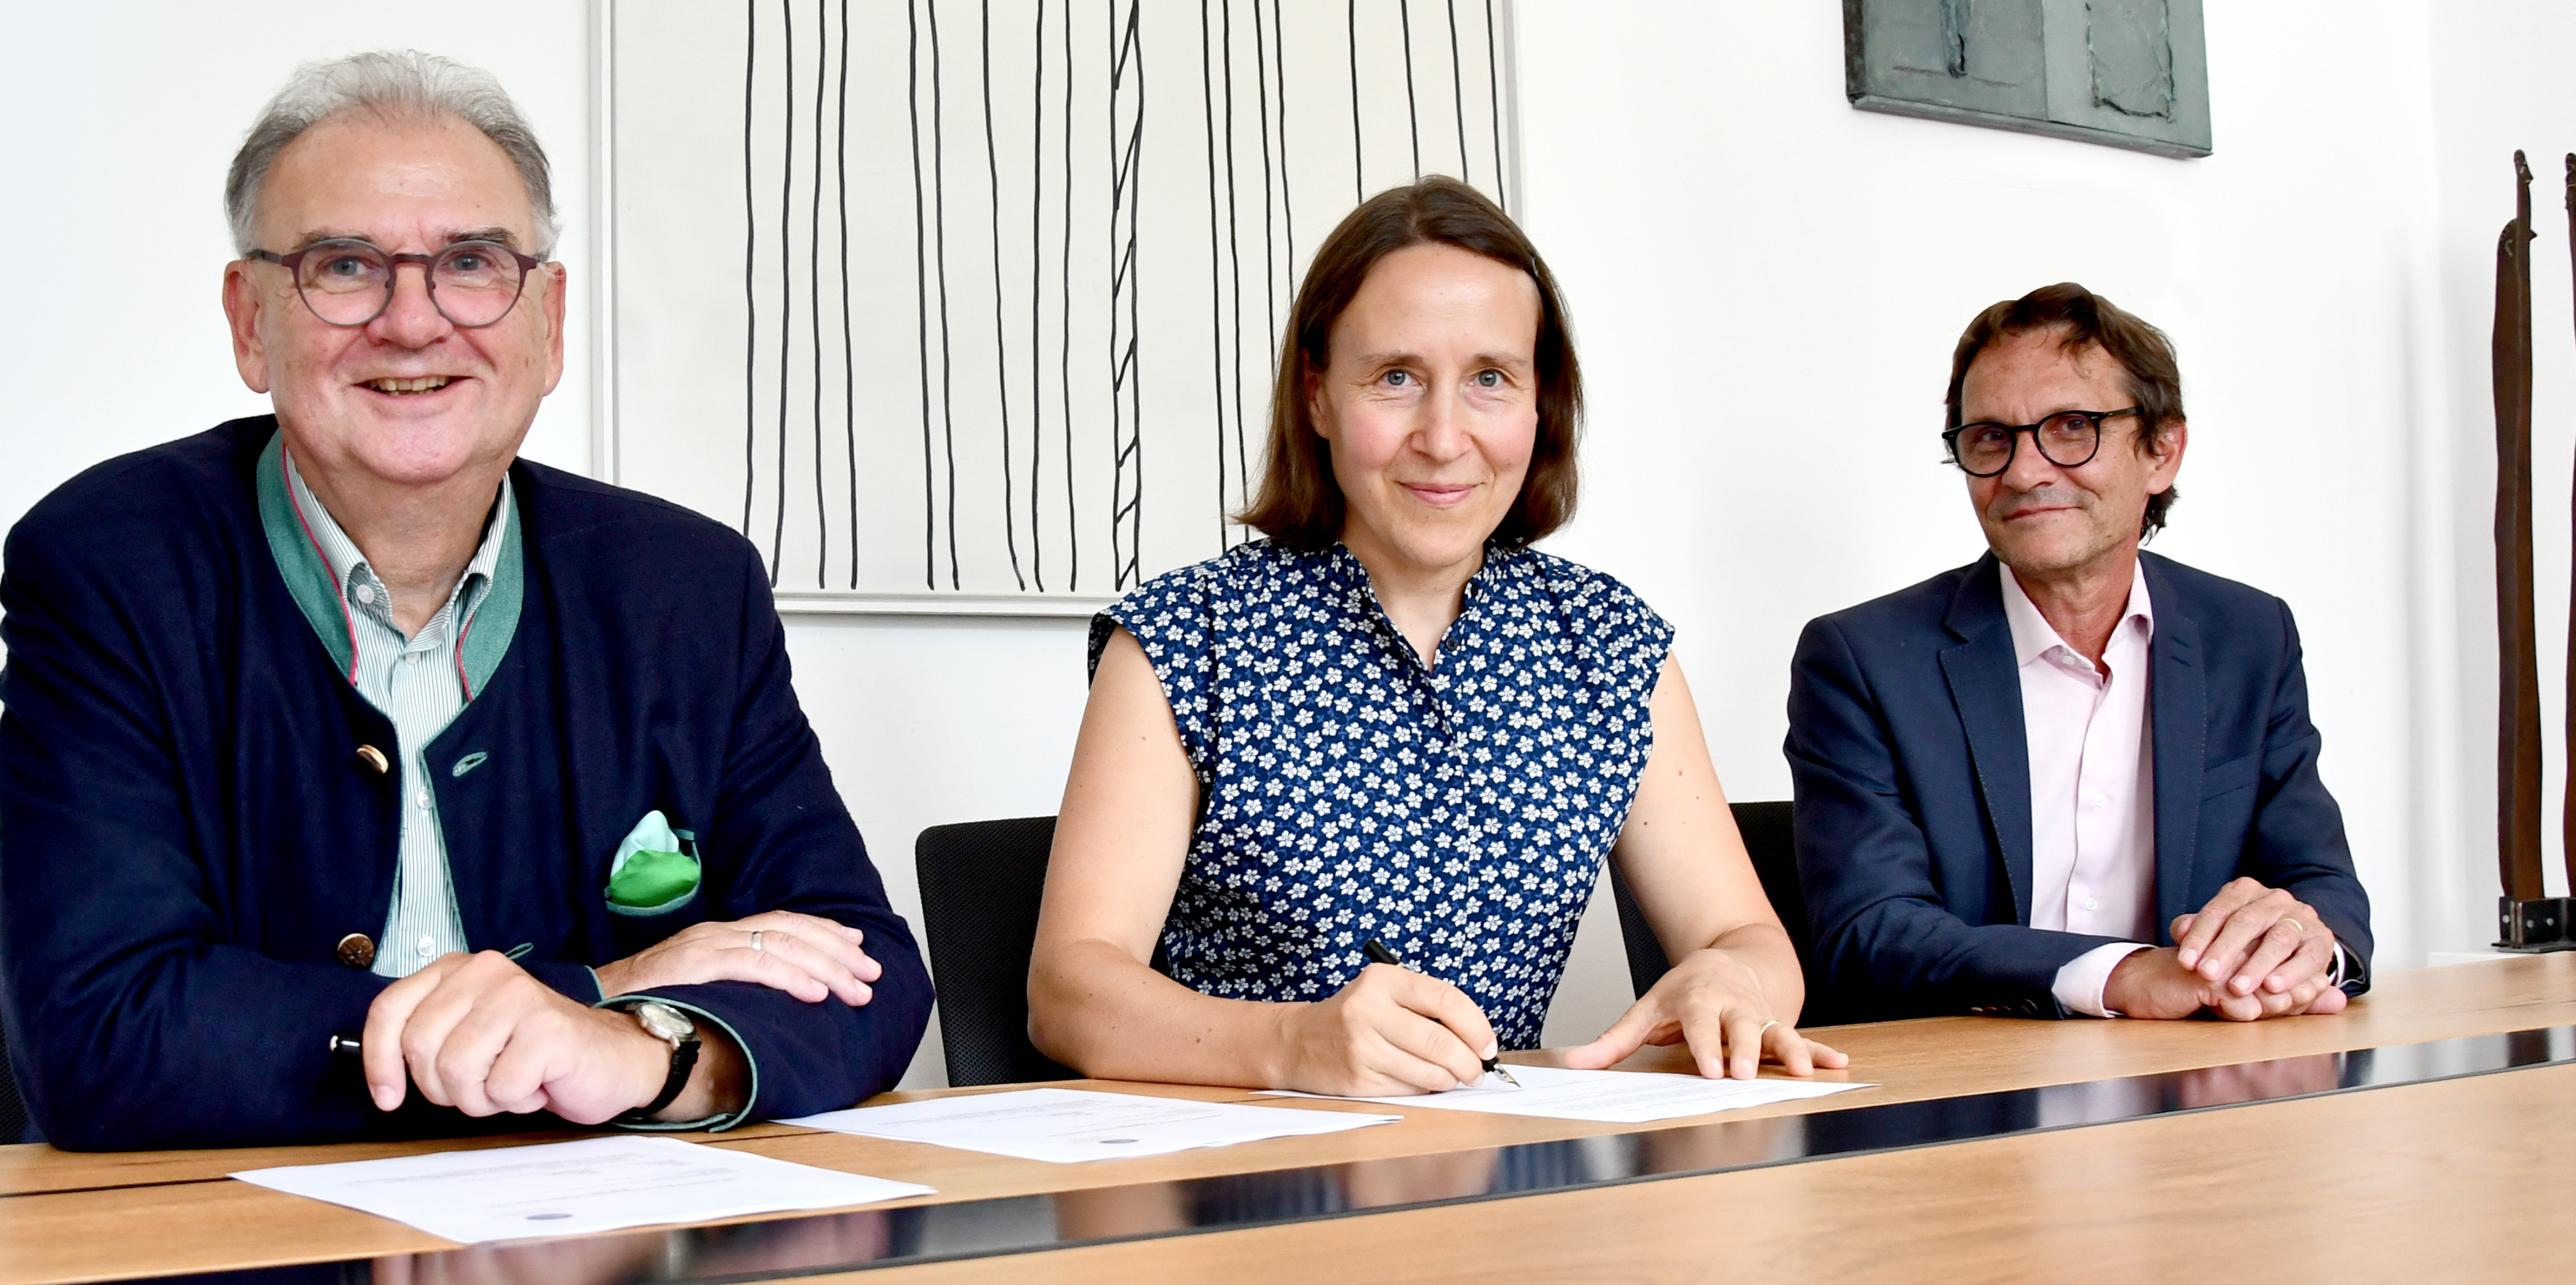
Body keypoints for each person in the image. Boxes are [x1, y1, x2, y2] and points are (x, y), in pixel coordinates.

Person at [0, 52, 930, 1149]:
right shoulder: (108, 567)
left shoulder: (686, 588)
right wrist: (593, 994)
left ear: (549, 320)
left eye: (472, 263)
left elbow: (861, 969)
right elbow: (103, 1032)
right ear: (251, 322)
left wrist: (644, 1052)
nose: (412, 321)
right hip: (241, 1226)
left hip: (605, 1224)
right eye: (345, 265)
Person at [1027, 177, 1844, 1095]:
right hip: (1241, 1161)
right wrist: (1292, 1043)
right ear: (1318, 397)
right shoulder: (1187, 636)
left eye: (1490, 379)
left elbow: (1748, 938)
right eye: (1396, 378)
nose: (1445, 436)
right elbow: (1068, 989)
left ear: (1540, 406)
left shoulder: (1610, 646)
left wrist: (1732, 979)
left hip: (1509, 1159)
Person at [1786, 283, 2372, 1023]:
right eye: (1991, 437)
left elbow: (2319, 882)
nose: (2024, 472)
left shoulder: (2249, 636)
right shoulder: (1864, 659)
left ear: (2162, 452)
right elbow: (1869, 932)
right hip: (1977, 1074)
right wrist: (2119, 974)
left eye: (2072, 427)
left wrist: (2299, 947)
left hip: (2202, 1064)